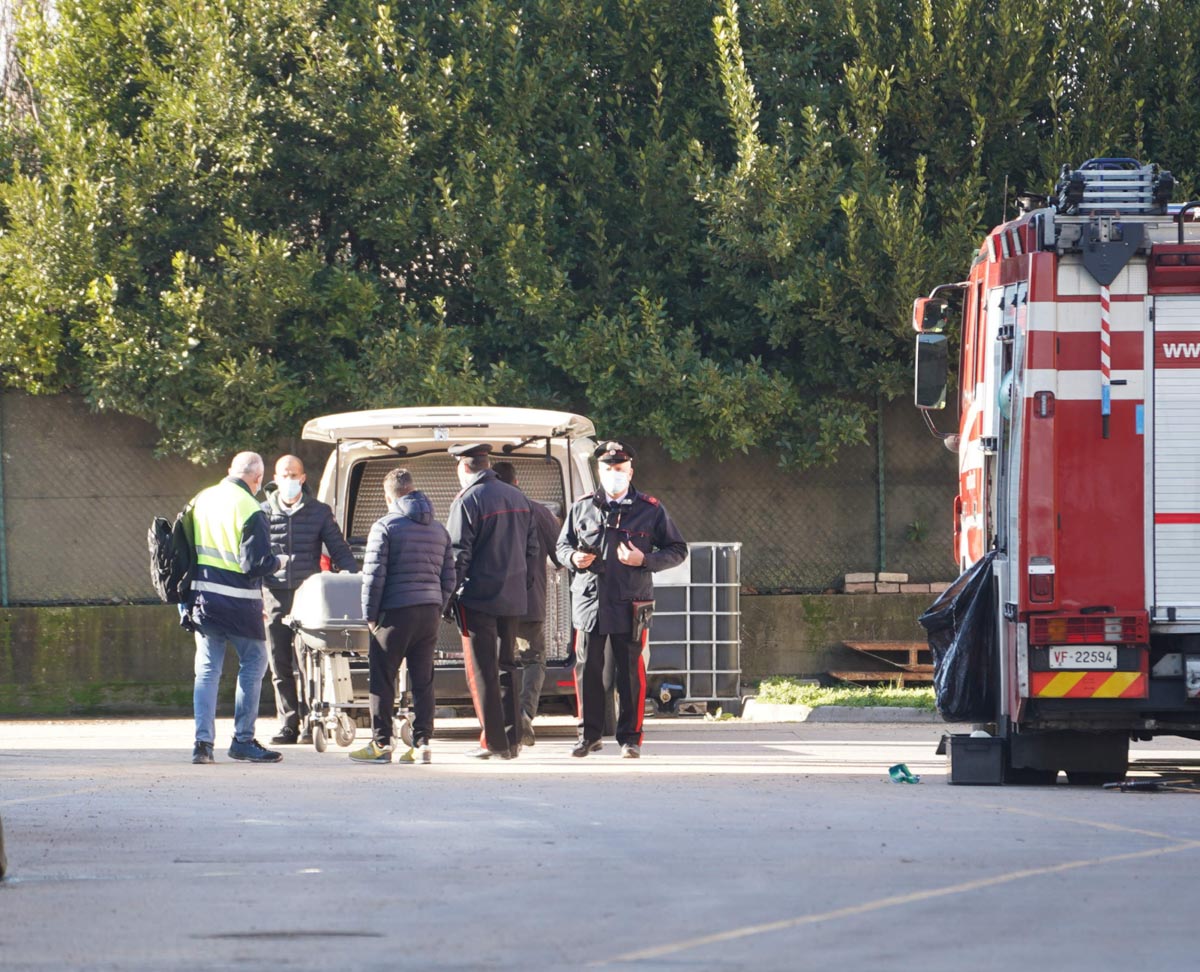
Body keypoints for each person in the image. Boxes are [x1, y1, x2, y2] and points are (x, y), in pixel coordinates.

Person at [557, 440, 686, 758]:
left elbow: (677, 550)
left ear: (630, 471)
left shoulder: (650, 509)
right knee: (587, 670)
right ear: (598, 471)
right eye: (607, 468)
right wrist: (574, 558)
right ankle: (589, 736)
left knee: (629, 672)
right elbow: (562, 546)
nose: (613, 473)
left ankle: (631, 738)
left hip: (631, 601)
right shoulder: (582, 506)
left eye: (619, 468)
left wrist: (644, 559)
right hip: (590, 601)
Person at [183, 452, 283, 764]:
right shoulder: (251, 507)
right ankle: (242, 740)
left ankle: (203, 745)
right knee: (254, 662)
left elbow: (180, 549)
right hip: (239, 603)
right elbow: (254, 564)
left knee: (208, 670)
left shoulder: (201, 498)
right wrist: (279, 560)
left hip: (203, 600)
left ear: (230, 471)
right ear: (256, 480)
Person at [350, 468, 455, 764]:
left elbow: (373, 577)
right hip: (429, 613)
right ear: (412, 490)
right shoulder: (439, 529)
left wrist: (370, 616)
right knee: (423, 680)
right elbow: (450, 576)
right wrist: (438, 605)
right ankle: (422, 745)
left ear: (389, 496)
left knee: (382, 679)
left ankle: (382, 744)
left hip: (394, 613)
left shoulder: (385, 527)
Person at [445, 443, 538, 759]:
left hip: (478, 598)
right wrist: (520, 586)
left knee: (483, 670)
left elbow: (459, 555)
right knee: (508, 666)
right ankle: (511, 741)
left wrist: (447, 597)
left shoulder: (467, 500)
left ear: (463, 467)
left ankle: (494, 741)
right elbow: (532, 549)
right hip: (512, 597)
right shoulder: (518, 497)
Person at [262, 454, 357, 745]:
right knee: (279, 663)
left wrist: (352, 580)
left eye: (293, 474)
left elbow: (339, 550)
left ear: (303, 478)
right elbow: (253, 557)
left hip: (308, 595)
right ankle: (288, 724)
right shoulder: (262, 513)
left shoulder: (319, 512)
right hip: (273, 594)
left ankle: (311, 720)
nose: (288, 480)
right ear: (275, 479)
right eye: (283, 475)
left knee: (308, 661)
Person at [492, 460, 562, 747]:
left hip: (493, 602)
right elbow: (561, 555)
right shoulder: (538, 511)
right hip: (530, 601)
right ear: (517, 481)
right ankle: (524, 714)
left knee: (498, 662)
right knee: (534, 659)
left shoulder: (485, 508)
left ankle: (501, 723)